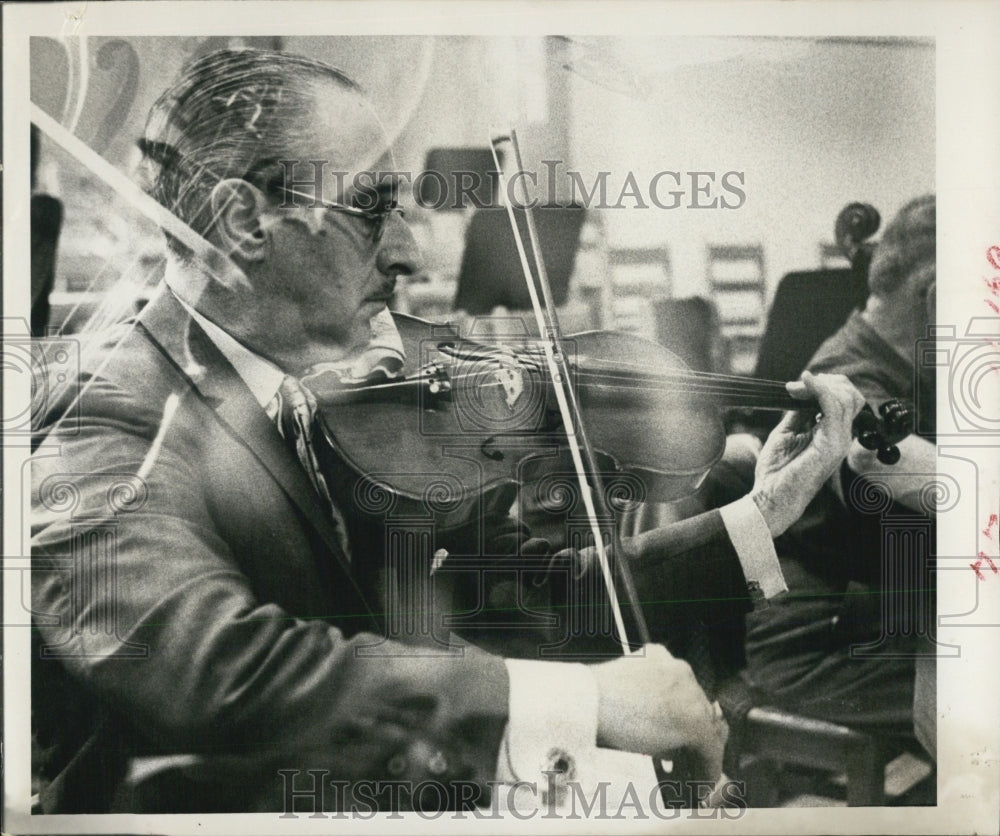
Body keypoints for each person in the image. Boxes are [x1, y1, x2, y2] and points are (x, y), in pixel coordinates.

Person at [30, 48, 866, 814]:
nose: (410, 255)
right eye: (370, 207)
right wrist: (588, 702)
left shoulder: (338, 403)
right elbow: (224, 679)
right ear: (243, 221)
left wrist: (766, 515)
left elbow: (535, 600)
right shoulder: (103, 422)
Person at [743, 195, 937, 764]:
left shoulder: (909, 363)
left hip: (887, 618)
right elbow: (883, 461)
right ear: (934, 294)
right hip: (822, 647)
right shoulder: (845, 377)